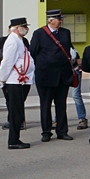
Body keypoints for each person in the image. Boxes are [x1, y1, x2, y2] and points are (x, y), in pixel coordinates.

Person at [29, 9, 75, 142]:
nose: (61, 21)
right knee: (45, 104)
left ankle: (62, 131)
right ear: (50, 20)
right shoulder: (39, 33)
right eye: (58, 19)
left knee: (61, 104)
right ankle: (46, 132)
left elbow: (68, 48)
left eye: (61, 19)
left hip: (63, 75)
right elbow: (33, 52)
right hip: (46, 75)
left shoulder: (65, 32)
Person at [0, 17, 33, 149]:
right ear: (16, 28)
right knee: (16, 111)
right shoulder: (12, 41)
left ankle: (15, 139)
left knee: (18, 110)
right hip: (14, 81)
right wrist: (2, 79)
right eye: (24, 26)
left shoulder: (19, 40)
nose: (26, 29)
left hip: (20, 80)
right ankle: (13, 140)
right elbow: (7, 62)